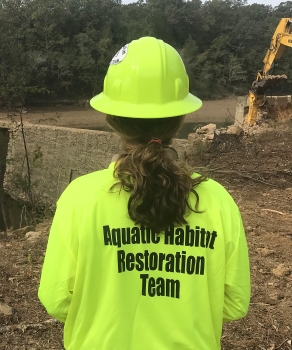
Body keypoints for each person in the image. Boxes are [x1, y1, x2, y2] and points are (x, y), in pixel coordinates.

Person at [38, 37, 250, 350]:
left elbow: (56, 299)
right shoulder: (217, 201)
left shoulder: (79, 198)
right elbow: (234, 304)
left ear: (112, 119)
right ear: (180, 118)